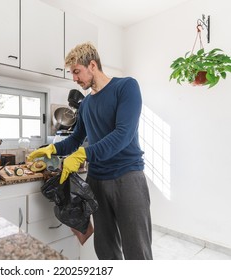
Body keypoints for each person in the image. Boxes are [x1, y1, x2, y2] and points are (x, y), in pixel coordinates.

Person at [28, 42, 153, 260]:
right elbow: (76, 139)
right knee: (105, 248)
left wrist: (83, 154)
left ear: (92, 65)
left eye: (77, 72)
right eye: (72, 73)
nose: (74, 79)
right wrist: (51, 149)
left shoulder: (126, 87)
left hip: (128, 178)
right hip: (96, 181)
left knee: (137, 250)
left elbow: (123, 134)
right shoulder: (85, 105)